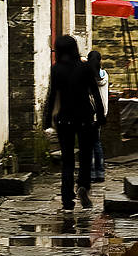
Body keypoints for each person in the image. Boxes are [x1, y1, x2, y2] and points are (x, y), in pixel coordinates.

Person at [43, 35, 105, 212]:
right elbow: (95, 92)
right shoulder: (85, 67)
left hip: (65, 119)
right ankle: (83, 186)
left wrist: (47, 120)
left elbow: (53, 95)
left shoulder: (56, 70)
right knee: (86, 157)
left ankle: (67, 199)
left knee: (67, 160)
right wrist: (100, 116)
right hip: (85, 118)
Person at [87, 50, 109, 183]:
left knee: (89, 144)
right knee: (97, 143)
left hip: (90, 112)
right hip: (102, 112)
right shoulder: (104, 75)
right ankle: (100, 172)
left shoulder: (89, 76)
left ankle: (91, 172)